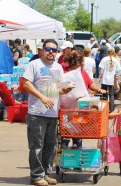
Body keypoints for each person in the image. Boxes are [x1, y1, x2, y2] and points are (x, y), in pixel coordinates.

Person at [22, 39, 72, 186]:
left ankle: (46, 173)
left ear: (57, 53)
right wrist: (42, 97)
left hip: (52, 113)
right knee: (37, 146)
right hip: (37, 113)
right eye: (48, 49)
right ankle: (37, 176)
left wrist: (66, 90)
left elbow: (59, 89)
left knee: (51, 146)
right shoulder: (34, 64)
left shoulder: (58, 67)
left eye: (54, 50)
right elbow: (26, 84)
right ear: (42, 50)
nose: (51, 52)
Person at [61, 49, 106, 148]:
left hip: (79, 110)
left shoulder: (82, 72)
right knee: (65, 136)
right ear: (78, 62)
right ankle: (61, 159)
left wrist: (99, 90)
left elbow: (91, 84)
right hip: (65, 111)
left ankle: (76, 159)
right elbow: (59, 87)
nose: (84, 64)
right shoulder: (63, 72)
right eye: (83, 62)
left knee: (78, 134)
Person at [98, 47, 121, 112]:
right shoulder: (116, 60)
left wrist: (99, 77)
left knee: (103, 93)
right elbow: (118, 70)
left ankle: (103, 108)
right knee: (112, 94)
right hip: (112, 79)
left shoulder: (104, 59)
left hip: (104, 79)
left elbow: (101, 70)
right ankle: (111, 109)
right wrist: (117, 78)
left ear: (107, 52)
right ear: (114, 52)